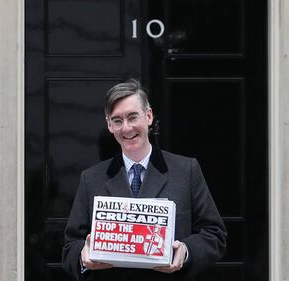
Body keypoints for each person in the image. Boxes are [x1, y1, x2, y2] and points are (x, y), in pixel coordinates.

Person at [62, 79, 227, 281]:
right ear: (109, 125)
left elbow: (214, 234)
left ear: (148, 116)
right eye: (117, 121)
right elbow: (70, 247)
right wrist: (82, 256)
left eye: (133, 117)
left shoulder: (186, 171)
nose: (126, 128)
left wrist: (186, 251)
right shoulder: (91, 179)